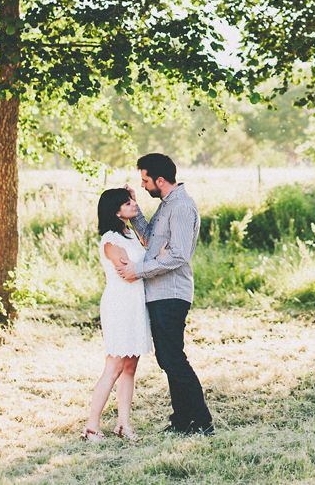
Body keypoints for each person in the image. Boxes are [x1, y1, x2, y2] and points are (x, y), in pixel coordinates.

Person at [116, 152, 214, 435]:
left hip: (171, 293)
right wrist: (134, 209)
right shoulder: (166, 205)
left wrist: (139, 270)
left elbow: (179, 256)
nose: (144, 186)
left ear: (160, 180)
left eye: (146, 180)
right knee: (168, 358)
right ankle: (182, 422)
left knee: (173, 359)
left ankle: (202, 422)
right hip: (158, 293)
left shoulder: (181, 206)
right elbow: (150, 242)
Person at [80, 188, 153, 442]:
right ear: (115, 211)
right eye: (128, 202)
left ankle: (123, 424)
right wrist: (158, 262)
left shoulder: (129, 233)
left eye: (132, 200)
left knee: (130, 367)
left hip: (136, 304)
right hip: (120, 305)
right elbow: (126, 271)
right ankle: (91, 427)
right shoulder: (111, 239)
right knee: (114, 367)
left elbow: (142, 259)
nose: (134, 204)